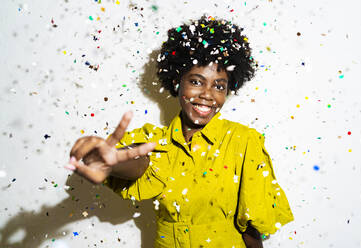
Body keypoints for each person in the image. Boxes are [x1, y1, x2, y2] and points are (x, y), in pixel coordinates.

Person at [66, 16, 294, 248]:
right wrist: (107, 160)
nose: (207, 94)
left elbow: (252, 231)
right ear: (177, 82)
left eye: (219, 86)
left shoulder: (243, 141)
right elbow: (138, 159)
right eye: (196, 82)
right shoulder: (155, 139)